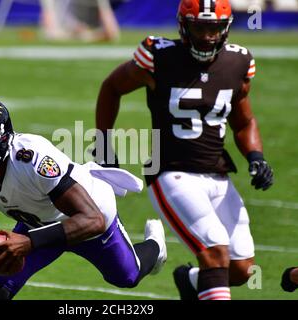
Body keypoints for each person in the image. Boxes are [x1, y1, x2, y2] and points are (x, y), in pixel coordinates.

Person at [93, 0, 274, 300]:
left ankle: (190, 282)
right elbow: (112, 86)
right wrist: (102, 141)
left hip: (217, 174)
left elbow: (243, 122)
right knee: (215, 250)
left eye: (214, 28)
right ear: (183, 26)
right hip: (171, 171)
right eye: (200, 27)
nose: (207, 36)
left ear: (225, 29)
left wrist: (256, 156)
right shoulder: (159, 56)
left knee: (241, 269)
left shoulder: (238, 62)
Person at [0, 96, 167, 300]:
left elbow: (93, 220)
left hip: (88, 213)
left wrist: (30, 241)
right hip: (39, 222)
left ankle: (155, 244)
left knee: (127, 277)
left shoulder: (31, 159)